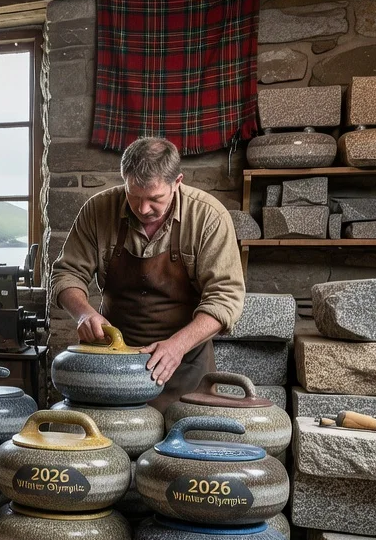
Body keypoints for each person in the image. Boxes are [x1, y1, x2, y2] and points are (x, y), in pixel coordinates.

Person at [51, 136, 245, 410]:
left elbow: (226, 298)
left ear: (177, 182)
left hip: (185, 367)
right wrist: (83, 313)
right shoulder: (97, 210)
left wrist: (177, 346)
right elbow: (66, 273)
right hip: (113, 365)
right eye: (134, 196)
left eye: (155, 199)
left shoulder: (208, 217)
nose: (142, 209)